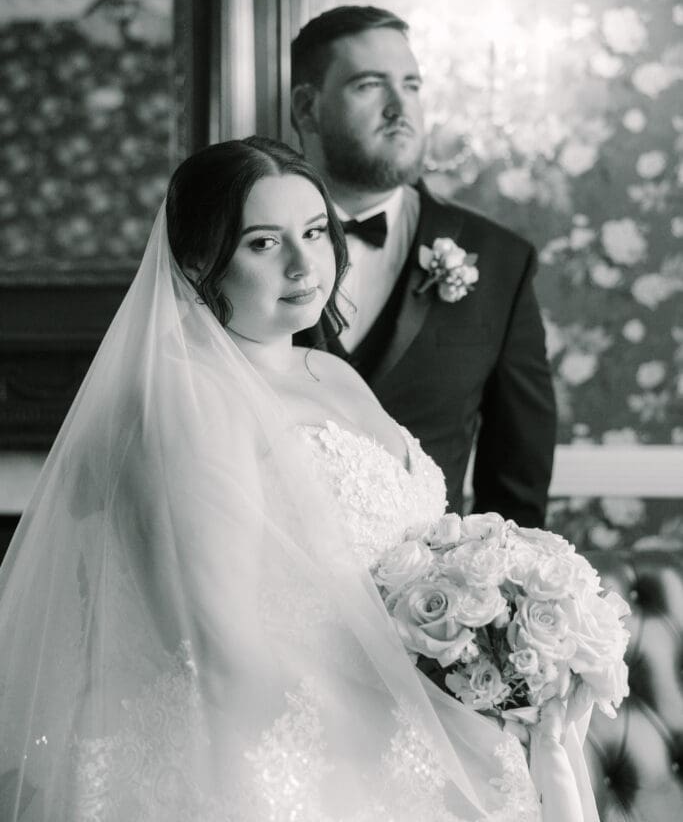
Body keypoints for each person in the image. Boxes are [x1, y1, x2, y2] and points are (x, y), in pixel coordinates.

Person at [0, 138, 594, 821]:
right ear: (200, 263)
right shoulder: (191, 396)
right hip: (287, 757)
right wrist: (389, 744)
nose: (302, 262)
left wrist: (486, 646)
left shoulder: (329, 372)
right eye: (261, 243)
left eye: (314, 232)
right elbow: (213, 642)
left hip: (402, 723)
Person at [291, 5, 557, 527]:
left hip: (432, 599)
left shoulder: (501, 260)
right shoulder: (238, 248)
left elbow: (517, 479)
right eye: (370, 85)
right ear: (307, 109)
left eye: (411, 85)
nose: (401, 108)